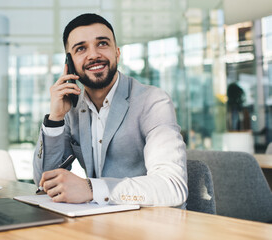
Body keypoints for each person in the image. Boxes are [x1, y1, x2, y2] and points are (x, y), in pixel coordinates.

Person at [33, 13, 187, 207]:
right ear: (69, 63)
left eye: (102, 44)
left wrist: (92, 189)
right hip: (98, 222)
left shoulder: (153, 101)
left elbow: (172, 186)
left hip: (152, 223)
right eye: (81, 48)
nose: (94, 55)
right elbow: (43, 183)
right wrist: (55, 119)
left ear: (117, 53)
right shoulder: (71, 108)